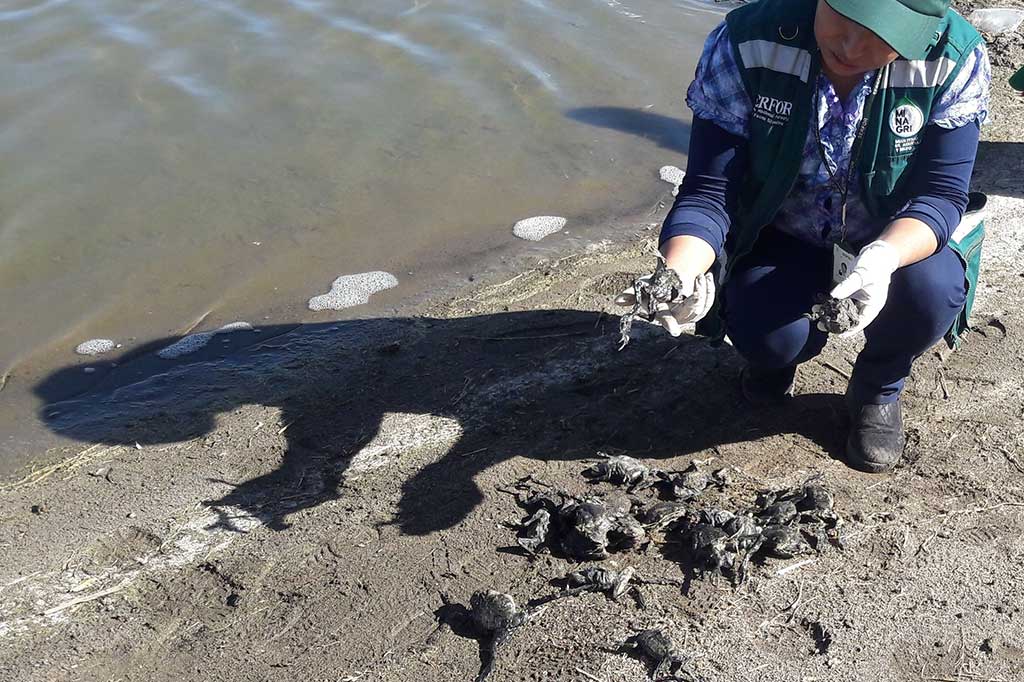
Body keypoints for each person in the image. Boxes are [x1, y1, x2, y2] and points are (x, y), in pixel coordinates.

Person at [618, 0, 991, 473]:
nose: (852, 46)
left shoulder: (954, 56)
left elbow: (940, 196)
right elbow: (710, 193)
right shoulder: (749, 40)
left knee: (931, 292)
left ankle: (880, 384)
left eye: (884, 35)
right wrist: (681, 271)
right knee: (767, 335)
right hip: (784, 235)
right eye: (846, 19)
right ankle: (772, 363)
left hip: (894, 237)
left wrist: (880, 258)